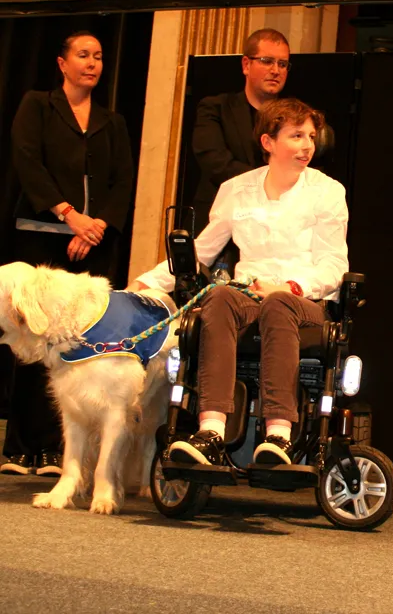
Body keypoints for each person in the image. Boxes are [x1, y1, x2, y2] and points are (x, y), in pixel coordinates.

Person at [127, 98, 348, 466]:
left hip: (302, 302)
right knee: (219, 296)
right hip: (249, 297)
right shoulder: (236, 189)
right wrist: (143, 284)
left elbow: (333, 264)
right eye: (296, 136)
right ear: (268, 142)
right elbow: (201, 251)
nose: (307, 145)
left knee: (278, 303)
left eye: (311, 136)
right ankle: (211, 430)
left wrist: (290, 286)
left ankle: (279, 434)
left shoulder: (327, 191)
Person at [0, 31, 134, 477]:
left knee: (81, 345)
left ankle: (63, 451)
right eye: (83, 55)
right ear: (62, 63)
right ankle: (24, 446)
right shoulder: (37, 105)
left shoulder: (112, 121)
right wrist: (69, 214)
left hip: (92, 244)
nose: (92, 63)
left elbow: (122, 182)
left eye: (98, 56)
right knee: (35, 338)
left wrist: (95, 228)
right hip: (42, 237)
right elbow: (27, 161)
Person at [190, 28, 290, 232]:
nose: (275, 70)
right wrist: (269, 183)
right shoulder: (215, 108)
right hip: (220, 222)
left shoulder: (294, 119)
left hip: (276, 225)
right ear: (246, 65)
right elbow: (215, 162)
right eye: (267, 61)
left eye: (282, 64)